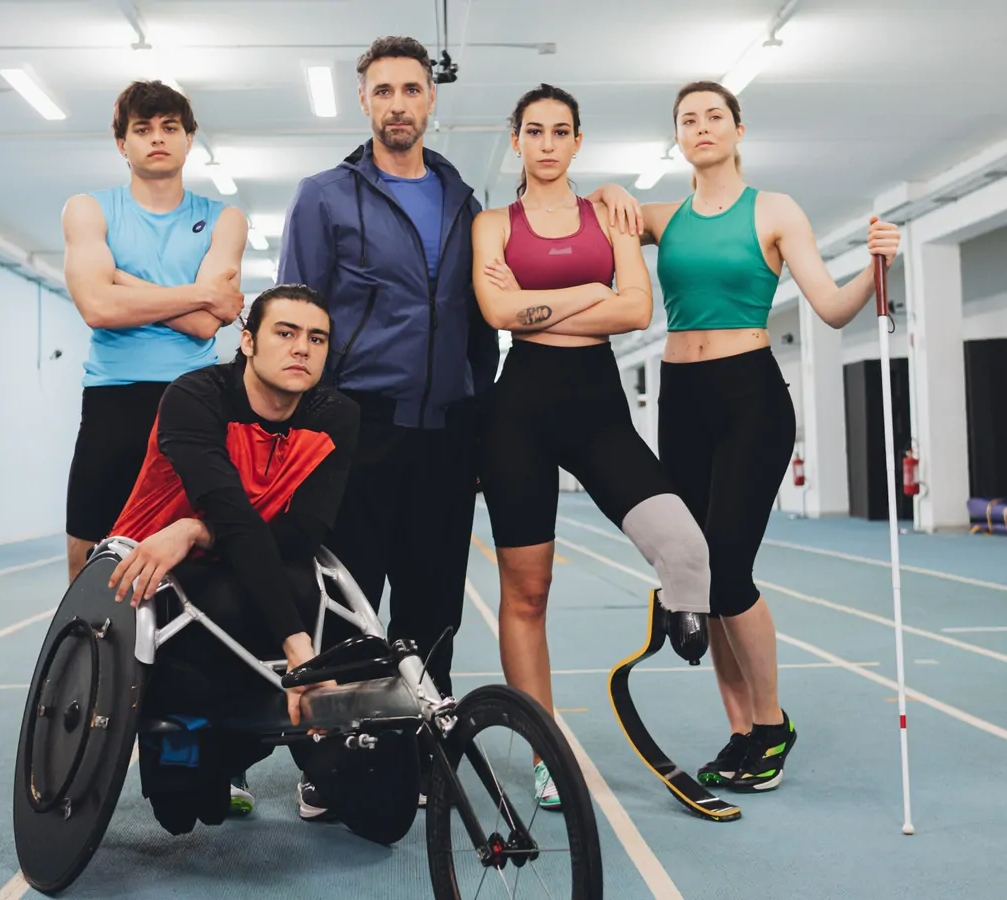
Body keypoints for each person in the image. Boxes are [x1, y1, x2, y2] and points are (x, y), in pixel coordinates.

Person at [276, 36, 643, 819]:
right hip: (358, 430)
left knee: (432, 610)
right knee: (348, 611)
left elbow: (482, 329)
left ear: (431, 99)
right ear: (364, 100)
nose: (398, 104)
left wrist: (478, 425)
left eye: (411, 89)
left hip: (446, 434)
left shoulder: (461, 201)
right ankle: (330, 770)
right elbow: (298, 317)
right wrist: (306, 431)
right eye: (383, 91)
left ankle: (416, 757)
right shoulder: (324, 196)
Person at [638, 80, 901, 792]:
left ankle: (772, 723)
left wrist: (876, 267)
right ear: (677, 137)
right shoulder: (662, 218)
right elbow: (579, 221)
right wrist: (602, 192)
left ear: (738, 128)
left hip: (748, 396)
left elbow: (833, 309)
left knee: (728, 571)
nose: (701, 127)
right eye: (687, 119)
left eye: (713, 116)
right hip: (680, 399)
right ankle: (741, 733)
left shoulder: (775, 210)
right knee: (699, 574)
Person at [471, 84, 712, 809]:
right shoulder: (492, 224)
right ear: (517, 140)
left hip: (599, 410)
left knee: (687, 548)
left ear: (578, 141)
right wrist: (590, 291)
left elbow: (636, 310)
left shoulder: (611, 214)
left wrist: (542, 303)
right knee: (527, 593)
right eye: (534, 131)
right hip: (518, 414)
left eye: (560, 131)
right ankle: (546, 750)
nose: (547, 143)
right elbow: (497, 311)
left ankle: (683, 607)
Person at [102, 284, 360, 834]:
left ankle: (288, 751)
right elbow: (232, 513)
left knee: (300, 590)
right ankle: (197, 746)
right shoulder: (195, 396)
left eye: (316, 339)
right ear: (248, 341)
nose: (302, 348)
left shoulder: (336, 414)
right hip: (159, 568)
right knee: (181, 813)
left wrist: (197, 530)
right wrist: (299, 650)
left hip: (246, 556)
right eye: (285, 333)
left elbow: (303, 534)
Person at [62, 79, 248, 586]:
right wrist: (198, 293)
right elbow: (97, 308)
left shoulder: (224, 219)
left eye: (170, 127)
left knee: (191, 555)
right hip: (112, 399)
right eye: (143, 129)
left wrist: (121, 280)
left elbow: (206, 324)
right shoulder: (88, 209)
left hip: (193, 400)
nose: (158, 137)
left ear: (190, 138)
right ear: (122, 144)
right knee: (87, 555)